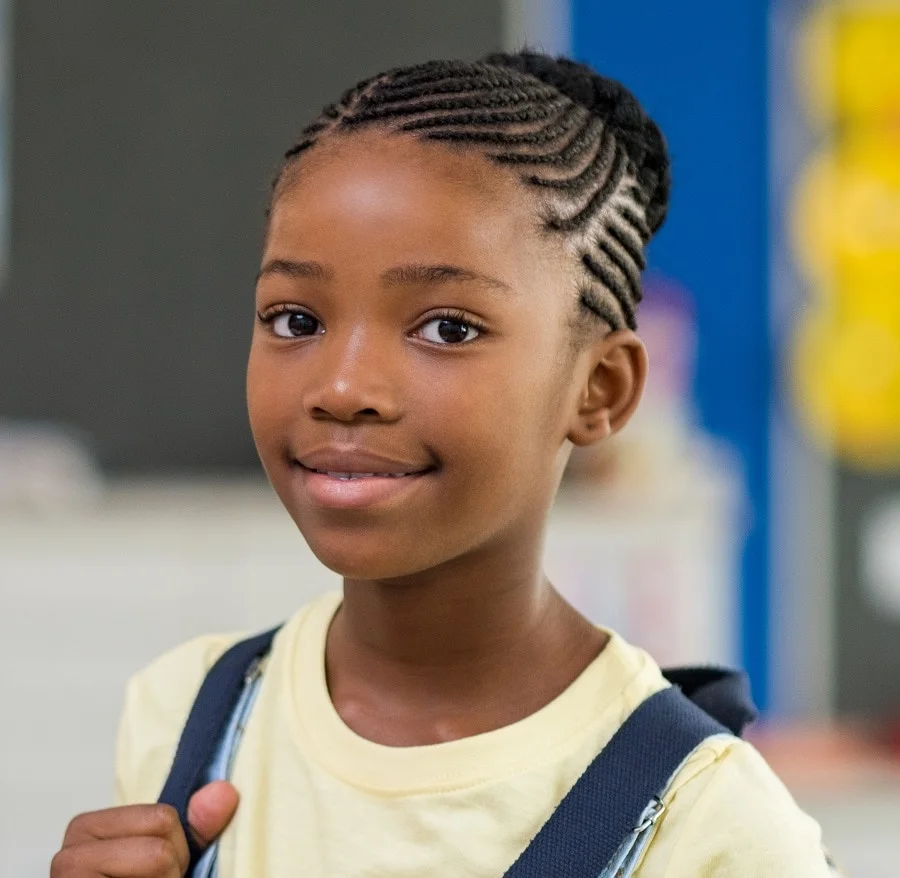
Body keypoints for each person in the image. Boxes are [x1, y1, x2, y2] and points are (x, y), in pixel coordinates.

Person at [51, 51, 836, 877]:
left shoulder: (713, 829)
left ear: (600, 388)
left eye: (448, 328)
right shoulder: (188, 718)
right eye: (293, 319)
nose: (343, 386)